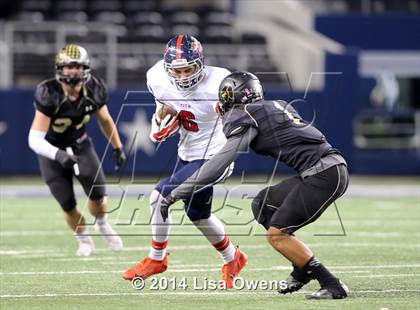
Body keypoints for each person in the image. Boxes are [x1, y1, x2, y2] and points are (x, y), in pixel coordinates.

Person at [158, 71, 350, 299]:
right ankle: (301, 269)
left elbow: (219, 164)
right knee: (264, 204)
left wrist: (175, 193)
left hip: (324, 173)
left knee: (276, 235)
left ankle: (331, 283)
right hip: (325, 168)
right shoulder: (278, 105)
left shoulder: (245, 115)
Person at [122, 35, 247, 288]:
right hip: (187, 152)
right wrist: (160, 125)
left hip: (216, 156)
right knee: (198, 215)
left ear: (200, 63)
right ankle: (233, 258)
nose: (182, 77)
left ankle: (156, 258)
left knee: (159, 198)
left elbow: (239, 123)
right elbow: (165, 112)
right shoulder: (157, 76)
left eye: (188, 69)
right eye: (176, 71)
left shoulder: (220, 82)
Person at [28, 44, 126, 257]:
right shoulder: (48, 93)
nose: (73, 71)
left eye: (78, 66)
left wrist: (118, 147)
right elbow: (34, 139)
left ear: (86, 68)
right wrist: (59, 155)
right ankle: (84, 240)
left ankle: (102, 223)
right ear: (60, 69)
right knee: (67, 203)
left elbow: (105, 120)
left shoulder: (94, 89)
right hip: (52, 152)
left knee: (99, 195)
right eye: (69, 66)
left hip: (80, 145)